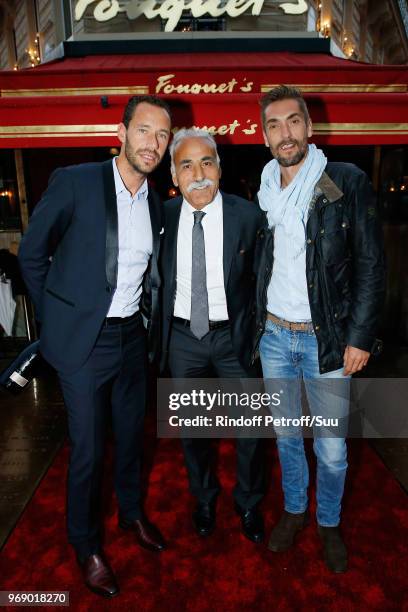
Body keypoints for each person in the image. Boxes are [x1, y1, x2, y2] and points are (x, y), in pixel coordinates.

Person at [18, 95, 172, 598]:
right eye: (145, 131)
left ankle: (129, 514)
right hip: (85, 341)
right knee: (87, 449)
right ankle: (84, 544)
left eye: (163, 135)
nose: (153, 143)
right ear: (122, 132)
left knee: (131, 437)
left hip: (132, 338)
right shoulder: (76, 181)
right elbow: (32, 254)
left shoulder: (153, 196)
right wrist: (58, 321)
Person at [254, 85, 385, 573]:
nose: (284, 133)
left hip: (326, 339)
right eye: (274, 124)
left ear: (309, 127)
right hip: (274, 337)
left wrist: (360, 336)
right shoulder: (264, 188)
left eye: (292, 121)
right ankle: (293, 510)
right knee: (287, 437)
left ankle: (327, 521)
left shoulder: (344, 182)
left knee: (330, 446)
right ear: (265, 136)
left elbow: (372, 265)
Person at [160, 128, 265, 543]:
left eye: (206, 162)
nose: (198, 173)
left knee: (251, 429)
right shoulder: (162, 217)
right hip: (183, 339)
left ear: (220, 169)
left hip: (234, 337)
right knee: (193, 430)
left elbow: (263, 278)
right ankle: (204, 498)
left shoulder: (249, 216)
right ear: (174, 175)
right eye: (187, 165)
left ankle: (250, 502)